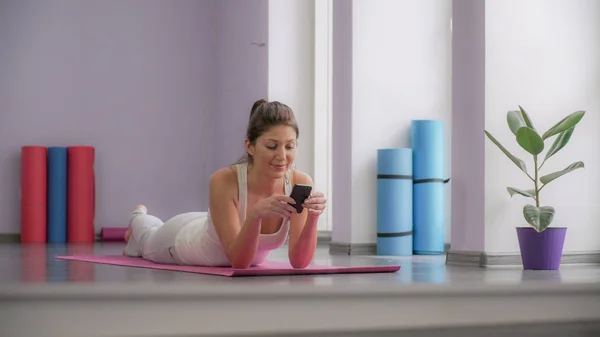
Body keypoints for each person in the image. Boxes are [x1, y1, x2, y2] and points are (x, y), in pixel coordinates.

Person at [122, 99, 327, 269]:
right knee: (148, 236)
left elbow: (299, 263)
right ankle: (137, 216)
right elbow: (239, 262)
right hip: (181, 241)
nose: (282, 156)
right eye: (272, 146)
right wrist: (255, 215)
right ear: (250, 146)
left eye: (290, 146)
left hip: (209, 223)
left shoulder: (300, 182)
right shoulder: (224, 180)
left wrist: (313, 218)